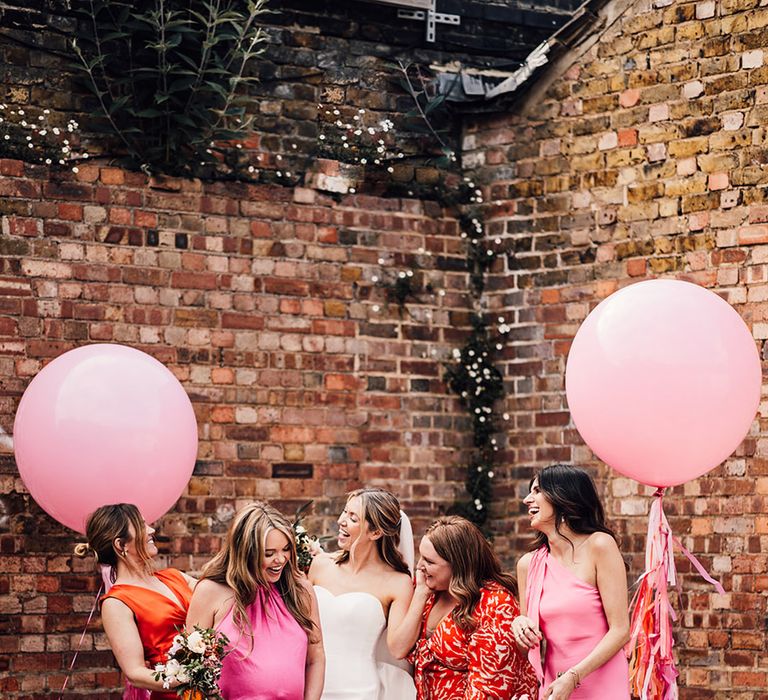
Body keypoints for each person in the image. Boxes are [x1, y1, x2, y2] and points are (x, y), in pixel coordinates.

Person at [512, 464, 631, 700]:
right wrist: (519, 626)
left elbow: (620, 631)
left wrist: (573, 676)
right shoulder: (528, 565)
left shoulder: (599, 546)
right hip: (556, 689)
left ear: (562, 497)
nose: (527, 499)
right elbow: (525, 648)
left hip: (601, 684)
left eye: (537, 491)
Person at [186, 501, 324, 700]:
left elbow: (316, 657)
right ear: (246, 552)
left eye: (285, 549)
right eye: (269, 553)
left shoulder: (300, 590)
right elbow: (191, 667)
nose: (280, 559)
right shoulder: (211, 592)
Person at [392, 515, 538, 700]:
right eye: (421, 556)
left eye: (429, 562)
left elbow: (488, 689)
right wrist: (421, 594)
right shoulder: (428, 590)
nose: (419, 566)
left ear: (458, 566)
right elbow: (398, 649)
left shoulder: (495, 605)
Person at [74, 503, 196, 699]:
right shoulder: (116, 602)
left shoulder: (175, 577)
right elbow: (135, 673)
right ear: (121, 545)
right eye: (142, 526)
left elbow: (217, 597)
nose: (151, 530)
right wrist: (190, 678)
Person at [308, 487, 416, 699]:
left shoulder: (398, 583)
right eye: (344, 512)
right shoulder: (320, 564)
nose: (341, 521)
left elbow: (398, 648)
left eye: (353, 517)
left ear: (375, 532)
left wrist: (421, 593)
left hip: (358, 689)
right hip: (311, 683)